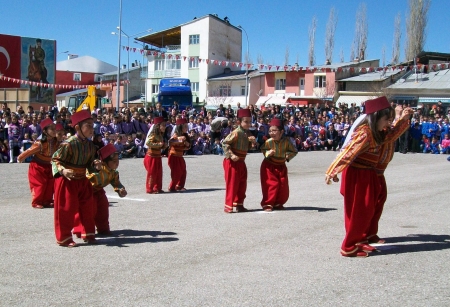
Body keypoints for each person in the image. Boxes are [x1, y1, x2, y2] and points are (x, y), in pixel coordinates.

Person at [325, 96, 411, 258]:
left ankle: (358, 240)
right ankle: (349, 246)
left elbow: (391, 135)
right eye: (387, 119)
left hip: (368, 174)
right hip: (359, 175)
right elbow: (348, 151)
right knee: (360, 211)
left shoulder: (376, 133)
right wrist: (333, 170)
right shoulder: (365, 133)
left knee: (366, 210)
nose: (388, 123)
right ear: (376, 117)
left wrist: (402, 119)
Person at [51, 110, 102, 247]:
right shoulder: (68, 144)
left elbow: (89, 165)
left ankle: (88, 233)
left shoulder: (91, 146)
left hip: (82, 180)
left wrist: (95, 165)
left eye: (93, 125)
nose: (92, 129)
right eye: (89, 126)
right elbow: (55, 160)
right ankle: (64, 238)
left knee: (87, 207)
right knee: (66, 210)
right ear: (78, 127)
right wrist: (63, 170)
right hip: (67, 180)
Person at [365, 106, 414, 246]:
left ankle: (371, 233)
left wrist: (402, 119)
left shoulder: (387, 129)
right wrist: (401, 118)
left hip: (380, 172)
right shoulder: (379, 131)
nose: (390, 121)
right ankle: (364, 234)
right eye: (389, 118)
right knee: (370, 205)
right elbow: (392, 133)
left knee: (379, 203)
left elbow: (393, 132)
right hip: (372, 171)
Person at [73, 144, 127, 237]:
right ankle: (82, 230)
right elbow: (89, 179)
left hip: (99, 191)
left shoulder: (114, 172)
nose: (116, 163)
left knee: (103, 207)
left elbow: (116, 183)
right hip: (88, 191)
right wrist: (97, 171)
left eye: (118, 161)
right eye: (114, 161)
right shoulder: (98, 168)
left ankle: (103, 228)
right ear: (105, 162)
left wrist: (120, 190)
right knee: (89, 211)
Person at [17, 118, 61, 209]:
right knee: (39, 184)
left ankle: (47, 200)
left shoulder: (56, 142)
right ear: (45, 131)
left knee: (50, 184)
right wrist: (20, 158)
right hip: (37, 167)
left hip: (49, 165)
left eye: (54, 128)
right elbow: (29, 151)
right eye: (52, 129)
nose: (54, 131)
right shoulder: (39, 143)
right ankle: (36, 201)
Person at [221, 108, 257, 213]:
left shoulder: (248, 133)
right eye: (246, 121)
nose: (248, 124)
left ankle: (239, 204)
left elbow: (249, 147)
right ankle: (228, 205)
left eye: (250, 121)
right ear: (239, 122)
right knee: (232, 184)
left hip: (241, 161)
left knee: (242, 184)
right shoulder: (236, 133)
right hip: (233, 162)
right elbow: (225, 143)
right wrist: (231, 155)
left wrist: (253, 143)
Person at [259, 118, 298, 212]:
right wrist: (268, 153)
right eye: (270, 131)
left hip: (281, 166)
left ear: (281, 132)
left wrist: (287, 156)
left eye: (274, 130)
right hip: (269, 166)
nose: (272, 133)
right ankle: (268, 203)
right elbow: (263, 150)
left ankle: (278, 203)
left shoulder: (287, 142)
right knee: (272, 184)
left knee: (283, 185)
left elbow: (294, 151)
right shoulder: (269, 142)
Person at [167, 118, 190, 192]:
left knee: (183, 171)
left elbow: (187, 147)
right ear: (180, 127)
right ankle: (172, 186)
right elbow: (171, 141)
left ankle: (180, 185)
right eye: (185, 126)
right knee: (176, 172)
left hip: (180, 156)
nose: (187, 128)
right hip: (173, 156)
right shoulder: (175, 135)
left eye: (187, 126)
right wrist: (180, 139)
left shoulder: (185, 135)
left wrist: (187, 144)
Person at [144, 117, 166, 194]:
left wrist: (163, 146)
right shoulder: (153, 134)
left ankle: (157, 187)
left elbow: (160, 145)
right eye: (163, 125)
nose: (164, 127)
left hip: (157, 156)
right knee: (152, 173)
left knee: (159, 173)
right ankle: (149, 189)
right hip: (151, 157)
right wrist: (158, 145)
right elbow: (148, 143)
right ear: (158, 126)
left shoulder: (160, 135)